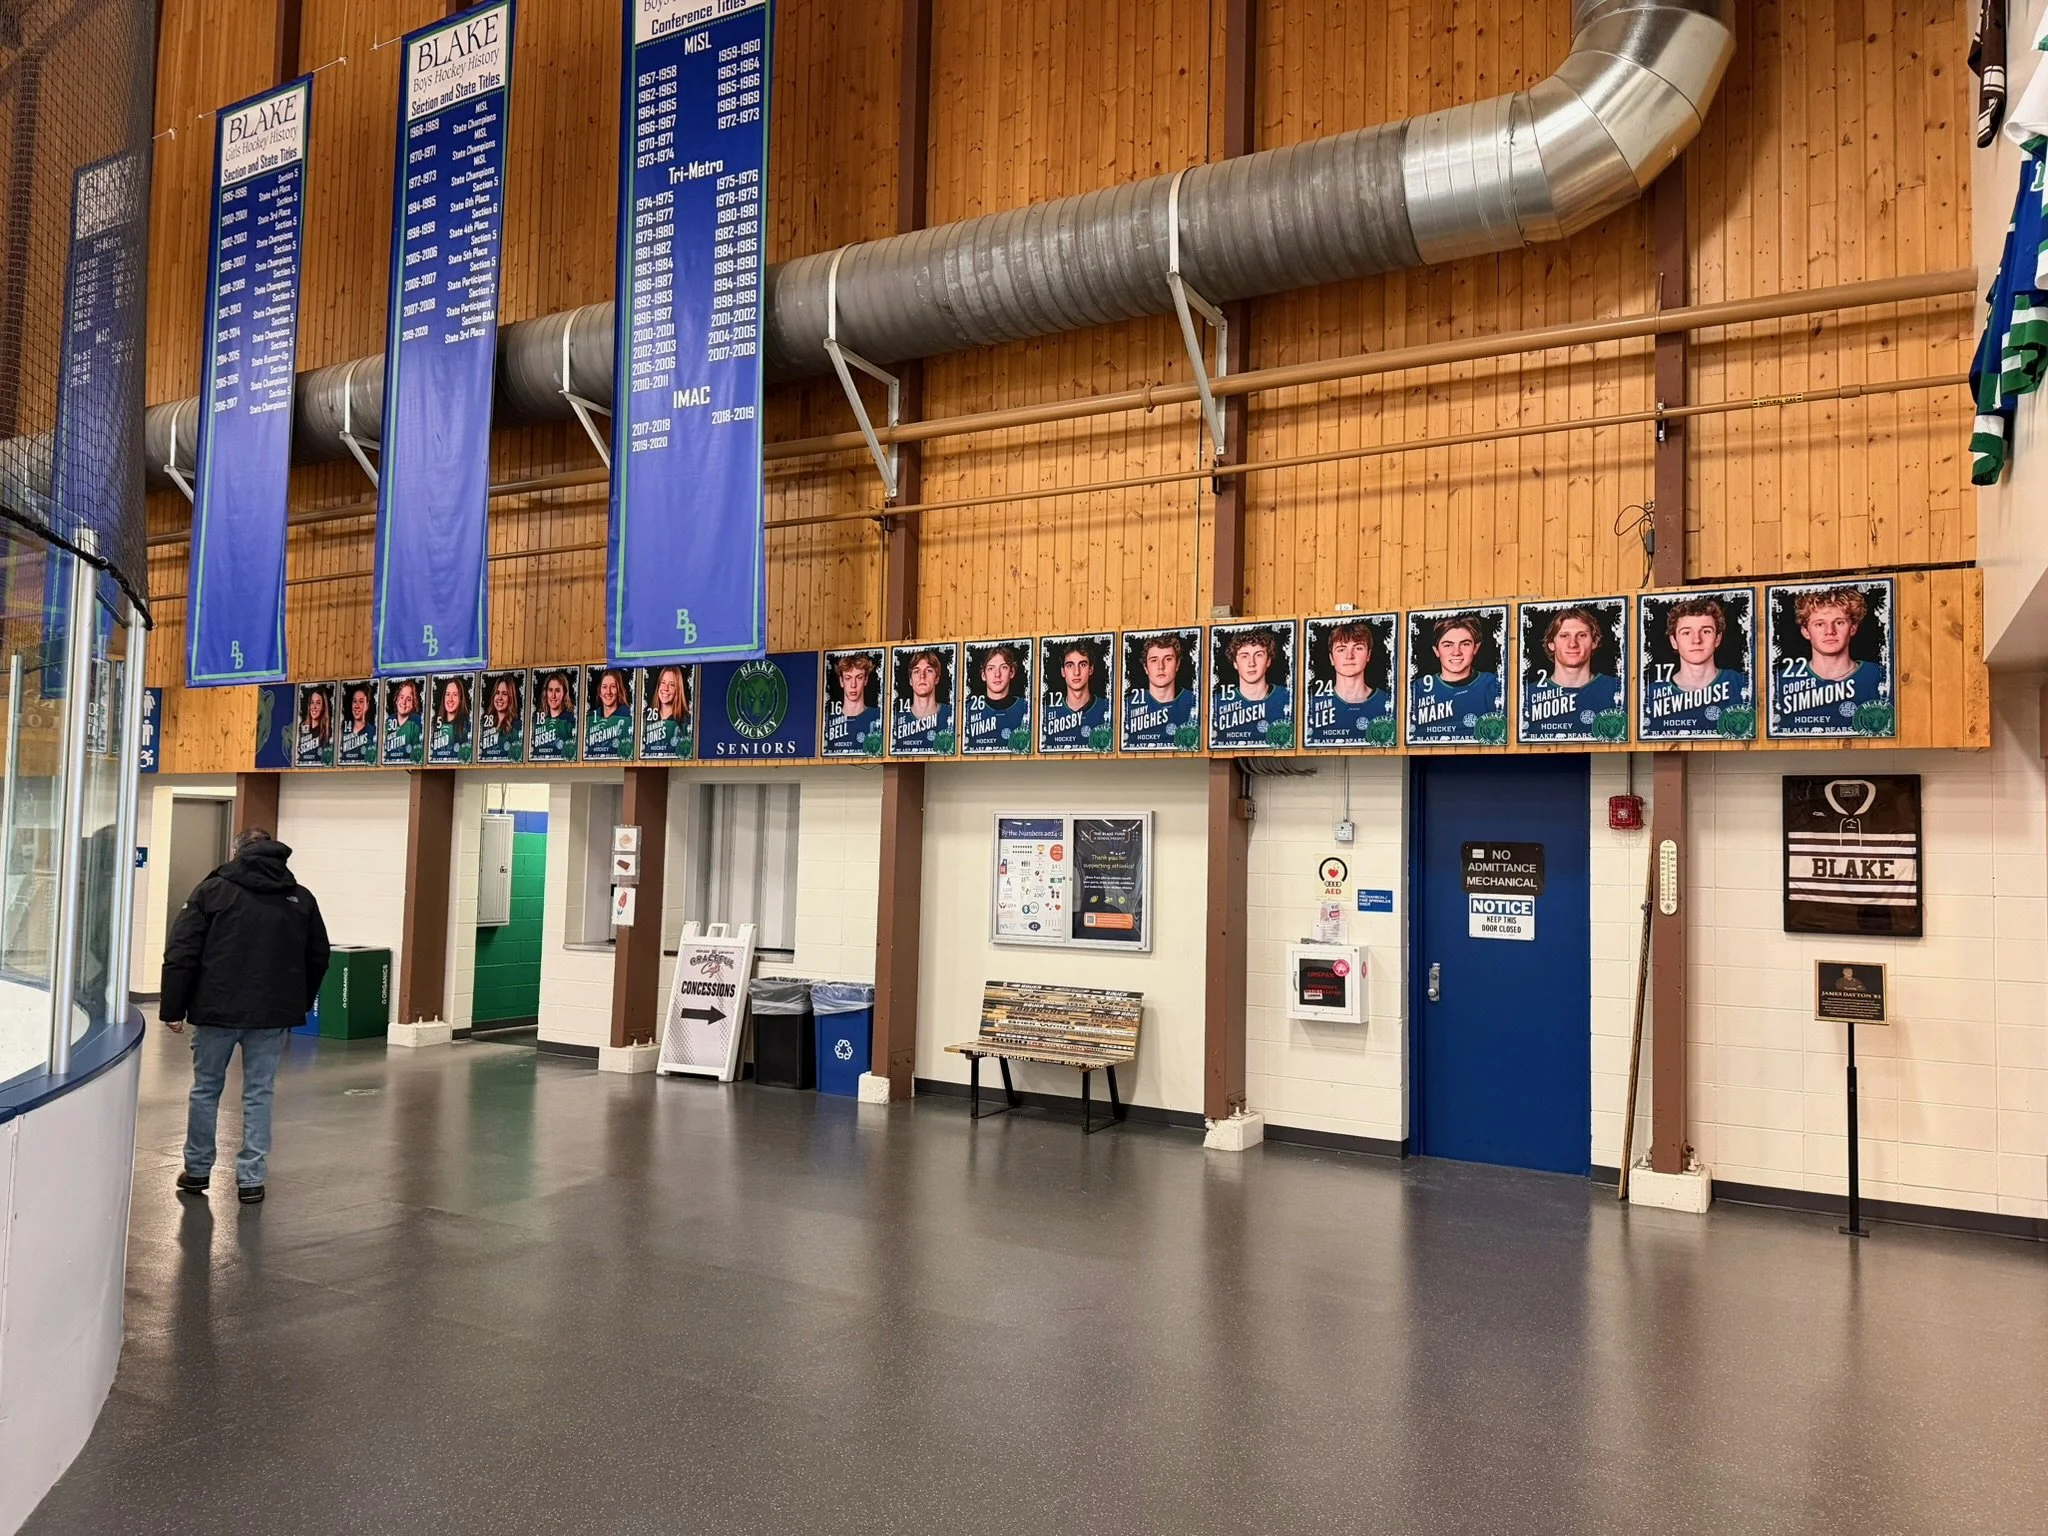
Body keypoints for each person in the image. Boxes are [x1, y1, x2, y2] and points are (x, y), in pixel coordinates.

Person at [160, 829, 330, 1206]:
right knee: (259, 1092)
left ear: (236, 851)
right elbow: (318, 956)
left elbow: (182, 952)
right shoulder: (299, 898)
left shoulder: (210, 892)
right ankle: (251, 1179)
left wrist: (173, 1008)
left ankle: (198, 1170)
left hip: (215, 1012)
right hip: (272, 1015)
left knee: (206, 1089)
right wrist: (298, 1003)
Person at [1775, 586, 1888, 730]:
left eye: (1839, 622)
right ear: (1805, 631)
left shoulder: (1881, 679)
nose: (1830, 631)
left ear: (1853, 628)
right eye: (1820, 624)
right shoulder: (1779, 684)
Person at [1644, 595, 1749, 735]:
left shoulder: (1743, 686)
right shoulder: (1649, 696)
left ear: (1717, 638)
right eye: (1686, 633)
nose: (1696, 640)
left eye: (1706, 631)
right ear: (1674, 641)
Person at [1522, 606, 1622, 738]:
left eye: (1582, 635)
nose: (1573, 644)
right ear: (1551, 643)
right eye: (1564, 636)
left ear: (1594, 642)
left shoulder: (1618, 691)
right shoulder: (1526, 697)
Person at [1409, 614, 1501, 739]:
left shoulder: (1494, 685)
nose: (1456, 652)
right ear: (1436, 650)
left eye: (1465, 644)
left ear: (1476, 648)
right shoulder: (1417, 690)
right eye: (1448, 645)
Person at [1306, 619, 1390, 744]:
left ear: (1368, 655)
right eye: (1341, 649)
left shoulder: (1388, 704)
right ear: (1331, 658)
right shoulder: (1311, 706)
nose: (1349, 656)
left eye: (1358, 648)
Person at [1211, 627, 1292, 747]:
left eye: (1258, 655)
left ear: (1268, 660)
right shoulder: (1216, 704)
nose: (1251, 663)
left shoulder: (1288, 698)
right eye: (1244, 656)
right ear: (1235, 662)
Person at [1124, 632, 1197, 748]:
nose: (1161, 666)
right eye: (1154, 660)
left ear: (1177, 664)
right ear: (1145, 667)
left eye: (1168, 659)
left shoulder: (1195, 703)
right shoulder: (1126, 707)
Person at [1041, 638, 1110, 751]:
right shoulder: (1046, 714)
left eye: (1082, 665)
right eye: (1070, 665)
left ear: (1091, 669)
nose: (1076, 672)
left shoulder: (1107, 709)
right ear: (1063, 672)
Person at [965, 643, 1029, 752]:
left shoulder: (1026, 708)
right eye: (991, 668)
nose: (997, 674)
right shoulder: (967, 710)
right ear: (983, 675)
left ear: (1012, 672)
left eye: (1003, 667)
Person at [892, 648, 953, 752]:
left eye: (929, 670)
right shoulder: (896, 720)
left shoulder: (951, 715)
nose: (922, 676)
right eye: (916, 671)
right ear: (910, 680)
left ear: (937, 678)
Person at [825, 652, 881, 755]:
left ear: (865, 680)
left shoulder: (878, 716)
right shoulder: (827, 720)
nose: (853, 685)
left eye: (859, 678)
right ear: (841, 681)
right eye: (848, 678)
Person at [642, 666, 691, 758]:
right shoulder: (645, 718)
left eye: (672, 684)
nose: (666, 688)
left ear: (678, 689)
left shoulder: (686, 722)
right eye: (663, 683)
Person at [586, 668, 633, 758]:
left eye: (613, 686)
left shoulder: (629, 716)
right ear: (599, 692)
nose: (608, 692)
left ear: (619, 690)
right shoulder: (590, 717)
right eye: (604, 687)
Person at [532, 670, 578, 760]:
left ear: (564, 693)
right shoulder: (537, 720)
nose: (553, 696)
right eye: (550, 690)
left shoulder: (571, 720)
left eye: (557, 691)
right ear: (546, 692)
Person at [482, 673, 524, 761]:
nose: (500, 697)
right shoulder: (484, 724)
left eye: (504, 694)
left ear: (511, 698)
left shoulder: (517, 726)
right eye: (497, 693)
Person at [433, 677, 472, 762]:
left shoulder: (468, 725)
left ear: (461, 699)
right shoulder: (434, 724)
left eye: (455, 695)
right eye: (447, 694)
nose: (450, 699)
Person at [383, 679, 423, 762]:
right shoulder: (388, 721)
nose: (404, 702)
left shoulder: (416, 724)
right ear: (397, 699)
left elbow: (417, 756)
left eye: (408, 699)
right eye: (401, 697)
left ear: (413, 704)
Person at [341, 683, 376, 764]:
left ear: (367, 705)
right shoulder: (342, 734)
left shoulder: (373, 732)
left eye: (361, 701)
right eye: (354, 701)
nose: (357, 705)